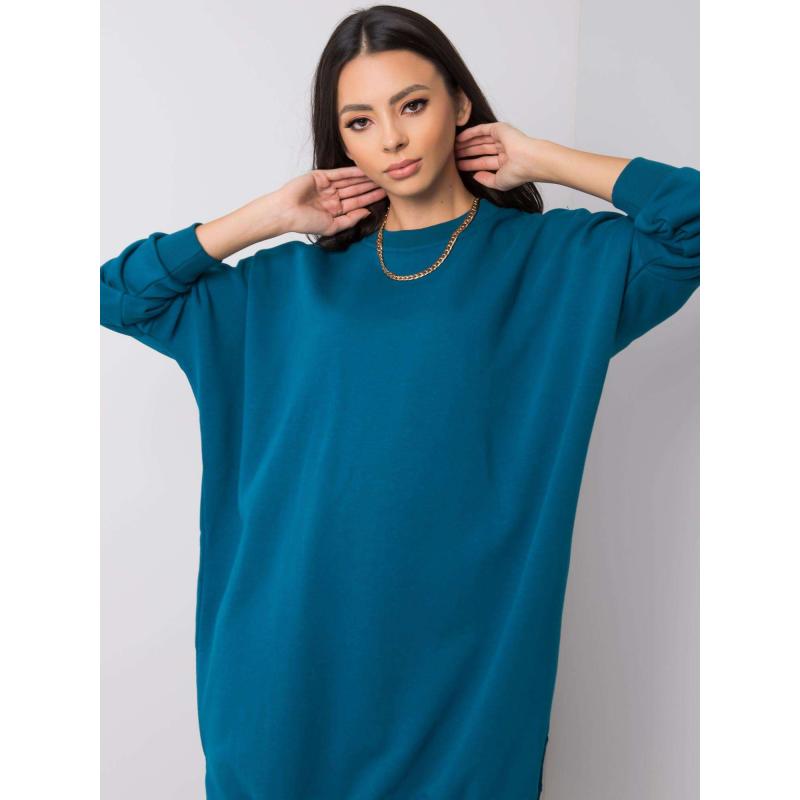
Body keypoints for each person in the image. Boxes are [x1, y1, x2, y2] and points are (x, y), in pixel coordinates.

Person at [100, 5, 699, 798]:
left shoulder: (558, 266)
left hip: (464, 689)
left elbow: (704, 223)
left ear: (460, 103)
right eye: (360, 121)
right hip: (283, 674)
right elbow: (121, 295)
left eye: (412, 104)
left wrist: (542, 158)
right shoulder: (286, 287)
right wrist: (266, 218)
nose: (391, 138)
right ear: (341, 142)